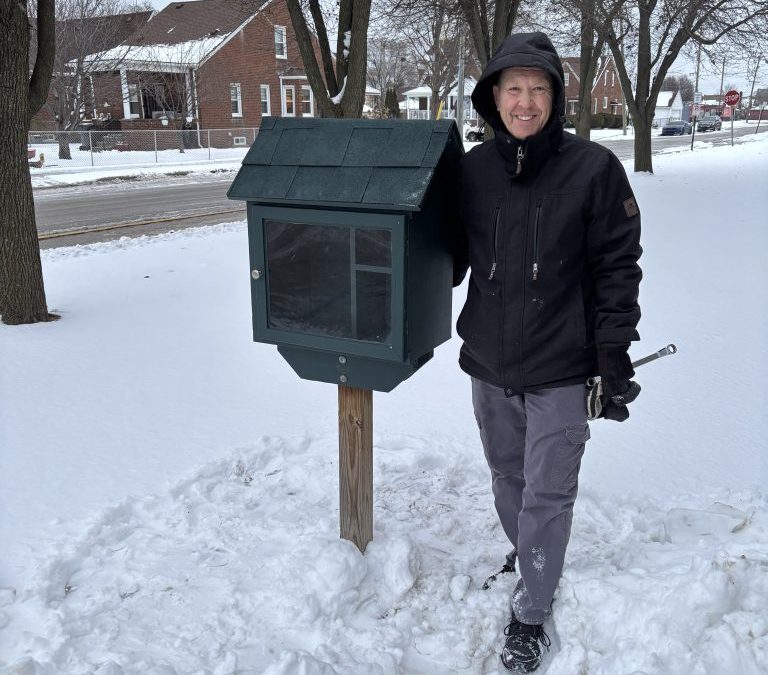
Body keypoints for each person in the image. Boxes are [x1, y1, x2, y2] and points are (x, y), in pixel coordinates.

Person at [453, 32, 642, 673]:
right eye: (514, 89)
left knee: (547, 494)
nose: (525, 102)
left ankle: (532, 610)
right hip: (488, 360)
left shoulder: (593, 170)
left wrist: (612, 354)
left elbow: (618, 266)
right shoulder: (472, 171)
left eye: (539, 89)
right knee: (508, 477)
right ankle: (526, 550)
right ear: (493, 97)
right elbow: (445, 254)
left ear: (555, 98)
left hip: (563, 364)